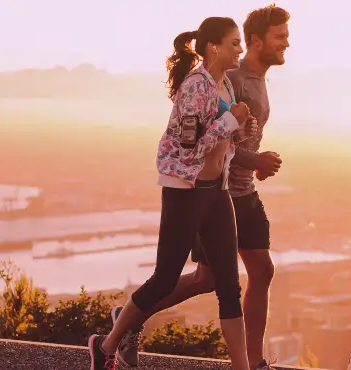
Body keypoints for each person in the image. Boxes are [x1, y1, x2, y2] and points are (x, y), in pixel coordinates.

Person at [110, 5, 290, 370]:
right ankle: (126, 321)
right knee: (195, 279)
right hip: (206, 191)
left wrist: (248, 142)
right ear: (255, 40)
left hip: (233, 189)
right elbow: (200, 142)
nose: (287, 42)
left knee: (252, 272)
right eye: (280, 36)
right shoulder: (224, 78)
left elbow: (233, 133)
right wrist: (251, 158)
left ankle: (251, 363)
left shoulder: (242, 80)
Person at [88, 16, 253, 370]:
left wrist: (240, 127)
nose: (241, 48)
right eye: (234, 42)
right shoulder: (196, 85)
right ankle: (106, 345)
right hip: (186, 193)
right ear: (213, 46)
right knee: (165, 278)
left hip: (216, 192)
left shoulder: (225, 85)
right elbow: (190, 147)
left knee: (229, 287)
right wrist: (231, 122)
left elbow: (223, 140)